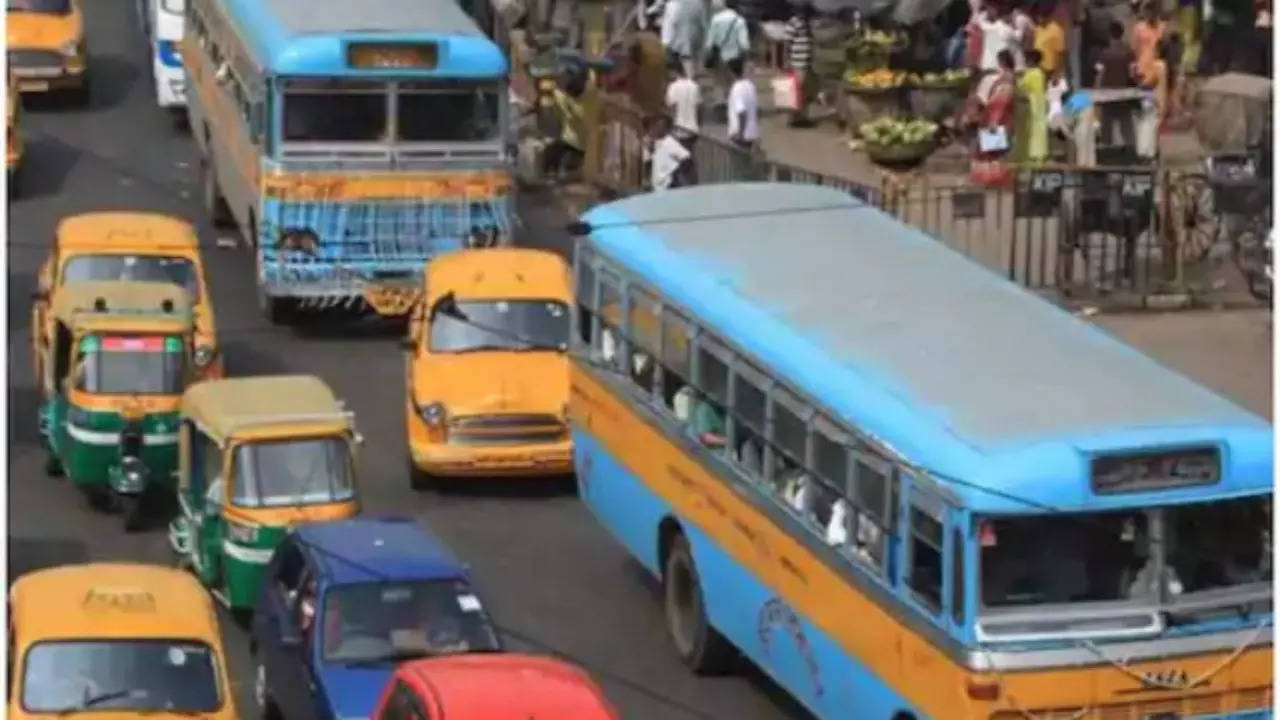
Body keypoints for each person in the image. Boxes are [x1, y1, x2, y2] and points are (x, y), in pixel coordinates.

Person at [970, 49, 1017, 186]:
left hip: (996, 114)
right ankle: (996, 176)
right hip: (1003, 114)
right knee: (997, 150)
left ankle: (991, 177)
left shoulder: (1001, 78)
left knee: (991, 151)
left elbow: (995, 97)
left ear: (1001, 62)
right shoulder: (1011, 78)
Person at [705, 0, 750, 109]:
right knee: (734, 82)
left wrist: (708, 53)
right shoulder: (739, 20)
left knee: (719, 82)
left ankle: (721, 104)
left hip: (719, 58)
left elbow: (710, 42)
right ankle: (735, 105)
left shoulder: (715, 20)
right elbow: (744, 44)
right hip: (735, 58)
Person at [783, 3, 815, 126]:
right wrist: (787, 61)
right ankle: (795, 117)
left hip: (807, 61)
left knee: (806, 91)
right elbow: (787, 43)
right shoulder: (794, 23)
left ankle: (803, 116)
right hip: (797, 62)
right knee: (797, 90)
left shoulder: (808, 24)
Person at [1016, 48, 1049, 163]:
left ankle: (1031, 155)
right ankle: (1039, 155)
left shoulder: (1031, 74)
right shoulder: (1040, 73)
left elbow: (1022, 88)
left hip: (1030, 103)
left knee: (1031, 130)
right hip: (1040, 102)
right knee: (1039, 130)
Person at [662, 0, 708, 79]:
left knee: (685, 60)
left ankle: (688, 80)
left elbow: (669, 24)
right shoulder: (698, 3)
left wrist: (666, 42)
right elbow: (703, 22)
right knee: (692, 60)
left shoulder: (672, 5)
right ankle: (692, 78)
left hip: (680, 40)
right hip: (696, 37)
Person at [649, 115, 693, 190]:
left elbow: (687, 158)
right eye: (656, 126)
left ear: (666, 129)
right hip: (658, 188)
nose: (657, 129)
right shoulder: (658, 143)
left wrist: (675, 174)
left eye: (660, 126)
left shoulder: (669, 142)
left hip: (667, 187)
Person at [726, 58, 759, 152]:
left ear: (731, 72)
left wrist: (740, 134)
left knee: (738, 165)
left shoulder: (736, 88)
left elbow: (742, 112)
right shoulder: (750, 85)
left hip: (740, 137)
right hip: (752, 134)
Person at [978, 4, 1022, 71]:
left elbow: (981, 22)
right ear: (1007, 16)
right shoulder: (1007, 29)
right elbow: (1018, 38)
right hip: (1004, 66)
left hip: (988, 64)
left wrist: (986, 12)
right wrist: (1016, 26)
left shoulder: (989, 28)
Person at [665, 62, 700, 140]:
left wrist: (670, 129)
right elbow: (698, 109)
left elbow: (673, 109)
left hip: (679, 130)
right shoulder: (695, 86)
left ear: (674, 72)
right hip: (693, 129)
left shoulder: (673, 87)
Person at [1094, 20, 1134, 88]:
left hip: (1107, 89)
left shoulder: (1104, 53)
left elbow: (1098, 72)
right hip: (1122, 88)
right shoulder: (1128, 52)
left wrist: (1095, 86)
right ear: (1122, 33)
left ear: (1109, 34)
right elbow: (1132, 73)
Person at [1033, 7, 1066, 74]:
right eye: (1038, 16)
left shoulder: (1057, 30)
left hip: (1049, 68)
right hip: (1038, 67)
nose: (1039, 19)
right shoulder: (1037, 29)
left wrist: (1057, 73)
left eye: (1042, 16)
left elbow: (1060, 53)